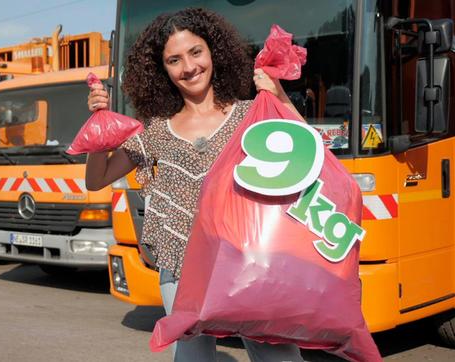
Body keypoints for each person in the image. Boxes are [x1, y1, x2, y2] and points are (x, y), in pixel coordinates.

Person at [86, 8, 304, 362]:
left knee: (277, 358)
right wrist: (99, 126)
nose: (188, 67)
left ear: (213, 52)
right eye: (174, 59)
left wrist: (279, 95)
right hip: (182, 268)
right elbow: (97, 179)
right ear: (162, 70)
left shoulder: (251, 114)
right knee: (192, 358)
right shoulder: (154, 130)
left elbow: (305, 150)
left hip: (253, 263)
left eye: (195, 52)